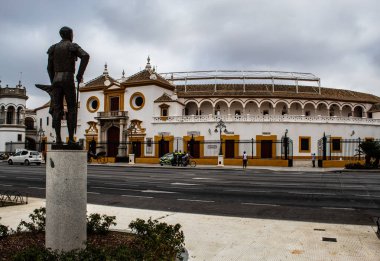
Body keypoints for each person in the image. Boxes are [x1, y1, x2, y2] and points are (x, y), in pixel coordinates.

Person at [47, 26, 90, 144]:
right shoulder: (72, 46)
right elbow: (85, 56)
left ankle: (58, 139)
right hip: (68, 78)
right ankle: (71, 139)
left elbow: (49, 68)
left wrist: (53, 81)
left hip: (56, 79)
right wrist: (80, 74)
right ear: (69, 34)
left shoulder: (53, 48)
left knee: (57, 109)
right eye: (72, 34)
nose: (73, 36)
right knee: (71, 108)